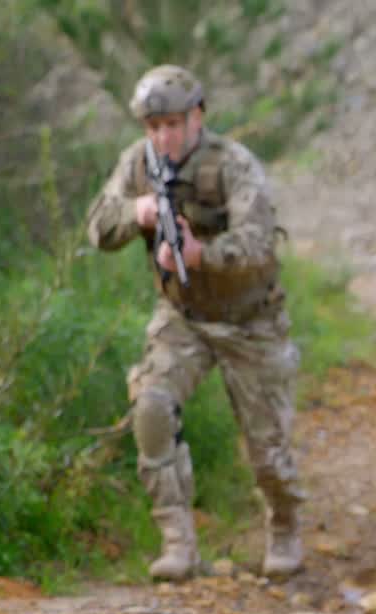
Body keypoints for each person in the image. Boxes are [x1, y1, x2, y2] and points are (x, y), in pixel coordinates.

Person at [86, 65, 303, 580]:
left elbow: (259, 240)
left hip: (252, 322)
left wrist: (202, 253)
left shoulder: (232, 164)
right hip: (183, 317)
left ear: (197, 116)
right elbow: (97, 225)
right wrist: (137, 212)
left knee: (267, 450)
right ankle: (178, 540)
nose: (163, 136)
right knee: (153, 408)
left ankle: (285, 526)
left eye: (173, 124)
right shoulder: (138, 164)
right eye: (153, 126)